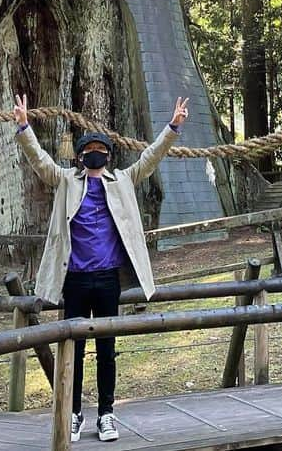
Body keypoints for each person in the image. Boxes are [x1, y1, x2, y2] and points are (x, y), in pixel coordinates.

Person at [13, 92, 189, 442]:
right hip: (75, 279)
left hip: (108, 279)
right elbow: (40, 160)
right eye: (90, 149)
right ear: (80, 156)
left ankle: (107, 414)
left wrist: (172, 127)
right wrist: (23, 126)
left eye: (102, 149)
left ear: (108, 155)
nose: (96, 154)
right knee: (73, 350)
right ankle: (74, 413)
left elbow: (151, 158)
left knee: (107, 349)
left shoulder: (122, 180)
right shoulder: (65, 180)